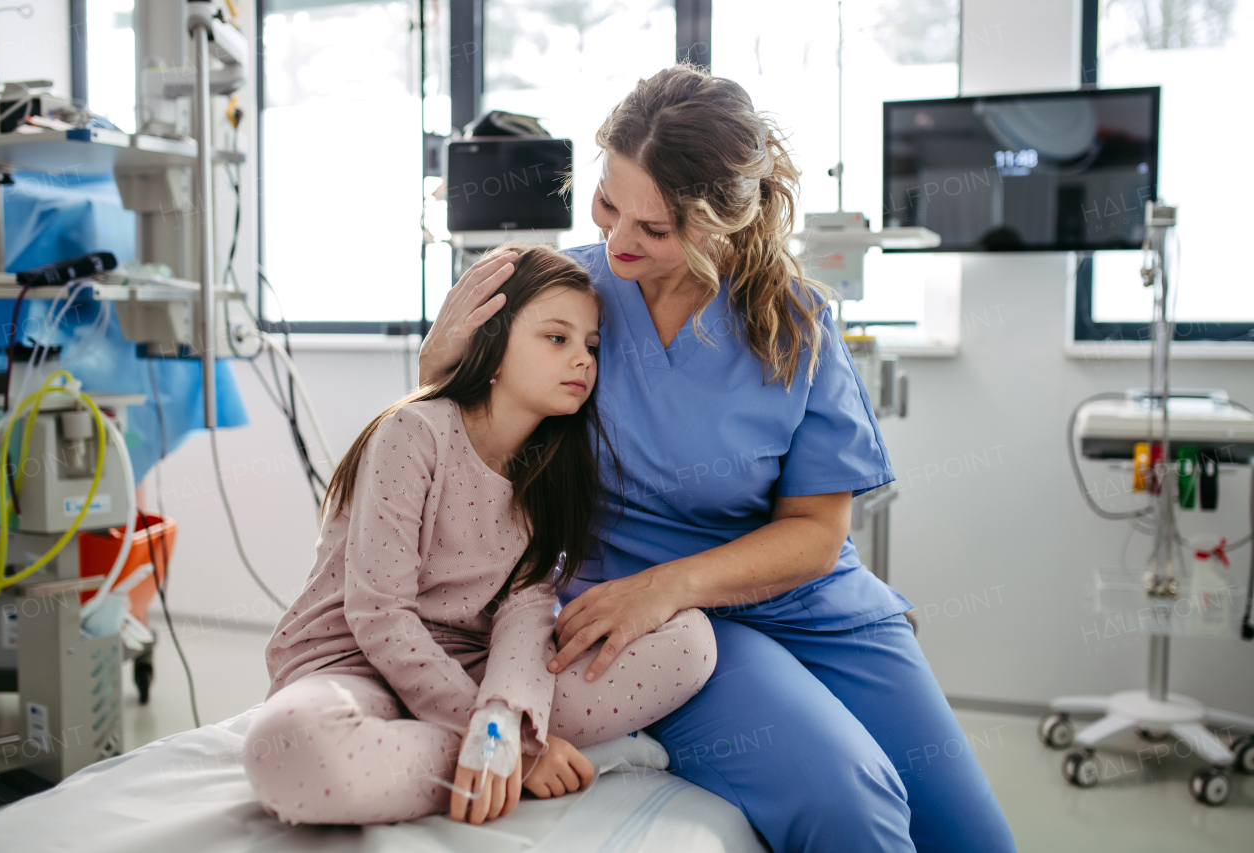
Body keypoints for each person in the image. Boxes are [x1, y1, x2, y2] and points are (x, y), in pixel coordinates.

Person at [418, 67, 1016, 852]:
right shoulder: (564, 296)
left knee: (972, 836)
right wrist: (439, 369)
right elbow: (463, 446)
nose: (617, 241)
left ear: (721, 223)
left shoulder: (794, 321)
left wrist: (671, 585)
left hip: (807, 603)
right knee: (854, 804)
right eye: (607, 204)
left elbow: (814, 532)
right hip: (663, 627)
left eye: (654, 228)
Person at [244, 244, 715, 827]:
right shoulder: (413, 433)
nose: (582, 360)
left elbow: (526, 614)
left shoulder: (551, 474)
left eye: (591, 346)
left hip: (475, 666)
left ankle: (478, 749)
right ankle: (495, 757)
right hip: (353, 662)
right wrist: (508, 739)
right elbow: (379, 613)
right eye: (556, 338)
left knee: (691, 642)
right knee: (294, 753)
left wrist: (498, 717)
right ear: (493, 344)